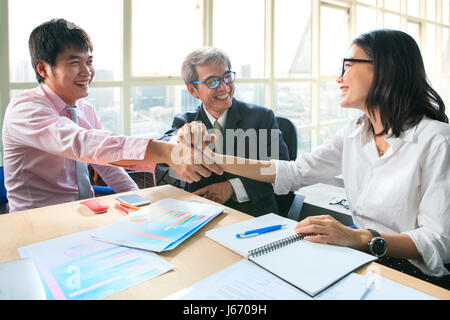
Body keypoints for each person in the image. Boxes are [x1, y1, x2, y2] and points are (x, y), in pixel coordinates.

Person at [195, 29, 450, 288]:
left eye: (348, 66)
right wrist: (212, 158)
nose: (339, 78)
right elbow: (295, 173)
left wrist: (357, 238)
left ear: (385, 69)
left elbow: (438, 242)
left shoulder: (437, 140)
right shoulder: (353, 134)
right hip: (364, 260)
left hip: (415, 275)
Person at [2, 19, 221, 213]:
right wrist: (167, 152)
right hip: (34, 222)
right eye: (74, 63)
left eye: (89, 62)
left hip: (83, 214)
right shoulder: (25, 109)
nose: (87, 72)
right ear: (43, 68)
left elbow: (107, 163)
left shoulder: (85, 109)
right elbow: (84, 145)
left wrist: (141, 204)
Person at [160, 47, 290, 217]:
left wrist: (232, 187)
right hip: (202, 218)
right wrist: (179, 139)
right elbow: (162, 151)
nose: (224, 87)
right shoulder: (185, 122)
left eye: (227, 77)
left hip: (255, 217)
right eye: (212, 82)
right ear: (193, 90)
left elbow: (283, 172)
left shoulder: (261, 117)